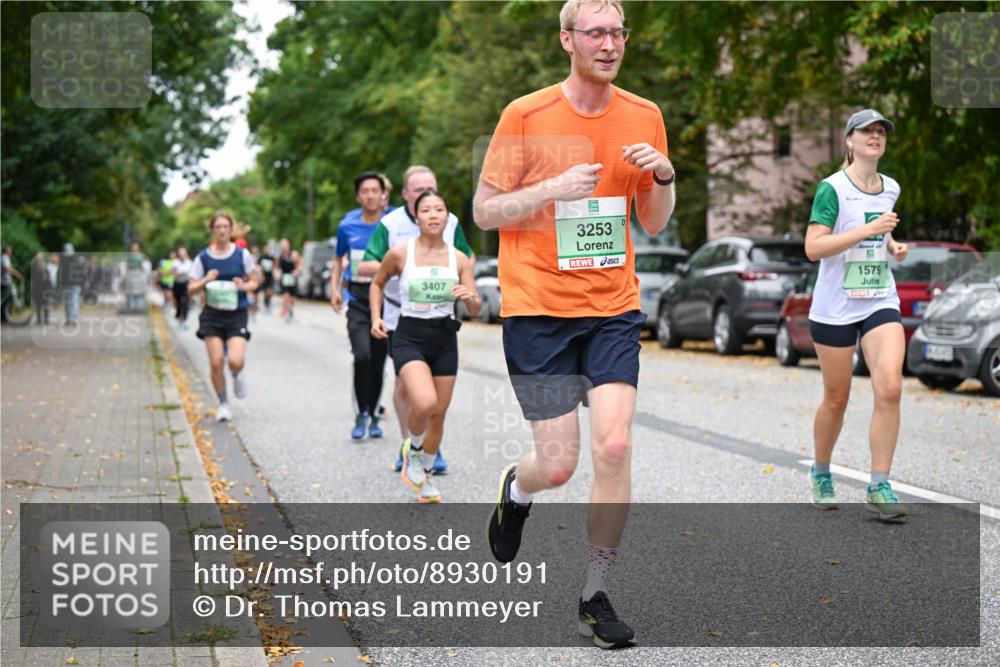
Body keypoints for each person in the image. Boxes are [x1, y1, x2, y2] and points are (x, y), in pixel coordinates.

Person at [472, 0, 675, 649]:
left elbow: (655, 221)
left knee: (613, 447)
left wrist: (665, 175)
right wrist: (552, 188)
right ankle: (517, 488)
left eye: (618, 31)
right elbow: (483, 210)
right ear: (567, 40)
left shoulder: (645, 116)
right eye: (596, 32)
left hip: (612, 306)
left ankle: (595, 591)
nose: (610, 42)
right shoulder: (526, 115)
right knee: (558, 463)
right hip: (537, 308)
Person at [804, 109, 908, 521]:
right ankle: (821, 471)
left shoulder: (891, 187)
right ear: (849, 140)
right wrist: (868, 232)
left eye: (881, 131)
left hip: (879, 298)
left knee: (890, 388)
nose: (876, 136)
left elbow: (879, 228)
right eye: (867, 130)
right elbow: (814, 247)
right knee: (837, 397)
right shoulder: (832, 189)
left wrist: (892, 245)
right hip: (835, 307)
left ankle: (880, 484)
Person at [359, 165, 475, 473]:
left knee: (437, 408)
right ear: (407, 196)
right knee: (409, 391)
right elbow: (368, 269)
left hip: (443, 324)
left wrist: (464, 285)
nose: (433, 212)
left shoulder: (452, 228)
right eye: (422, 196)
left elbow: (468, 260)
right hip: (401, 315)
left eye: (437, 203)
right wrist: (407, 267)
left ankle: (426, 456)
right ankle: (408, 444)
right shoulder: (392, 228)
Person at [332, 172, 391, 440]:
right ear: (358, 196)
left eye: (374, 190)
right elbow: (337, 259)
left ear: (383, 194)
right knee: (362, 356)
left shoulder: (392, 225)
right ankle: (361, 413)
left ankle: (374, 414)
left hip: (387, 302)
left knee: (378, 361)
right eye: (364, 191)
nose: (369, 195)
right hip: (357, 300)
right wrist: (335, 288)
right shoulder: (347, 226)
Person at [187, 212, 258, 422]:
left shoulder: (241, 255)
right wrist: (205, 280)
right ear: (212, 230)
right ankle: (223, 403)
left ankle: (237, 374)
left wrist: (244, 286)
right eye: (217, 227)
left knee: (235, 360)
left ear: (231, 229)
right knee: (216, 362)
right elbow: (190, 288)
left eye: (225, 226)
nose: (221, 230)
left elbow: (255, 281)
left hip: (236, 314)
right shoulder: (203, 258)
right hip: (212, 315)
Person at [61, 243, 88, 323]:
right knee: (74, 300)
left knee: (69, 301)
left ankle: (70, 318)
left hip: (70, 284)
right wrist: (83, 284)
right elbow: (82, 274)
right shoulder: (77, 260)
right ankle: (73, 318)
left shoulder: (63, 261)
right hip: (75, 284)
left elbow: (61, 274)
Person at [276, 239, 300, 322]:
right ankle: (284, 309)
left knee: (292, 297)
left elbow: (299, 265)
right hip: (284, 278)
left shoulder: (293, 254)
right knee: (285, 294)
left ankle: (290, 310)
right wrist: (277, 274)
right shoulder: (279, 257)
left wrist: (297, 271)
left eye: (285, 245)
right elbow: (276, 267)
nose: (283, 247)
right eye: (282, 245)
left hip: (292, 277)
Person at [1, 245, 24, 323]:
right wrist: (17, 274)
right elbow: (7, 268)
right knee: (7, 300)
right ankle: (4, 318)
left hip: (5, 281)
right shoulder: (5, 257)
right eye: (10, 250)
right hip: (5, 282)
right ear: (7, 250)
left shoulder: (4, 257)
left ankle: (4, 317)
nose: (11, 251)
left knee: (5, 299)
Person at [172, 246, 193, 328]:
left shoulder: (189, 262)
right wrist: (179, 273)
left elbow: (191, 274)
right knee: (178, 302)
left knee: (185, 302)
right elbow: (173, 273)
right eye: (180, 253)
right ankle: (179, 315)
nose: (182, 255)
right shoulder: (175, 262)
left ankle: (185, 319)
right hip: (177, 284)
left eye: (183, 253)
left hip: (185, 284)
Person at [30, 252, 51, 325]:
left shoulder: (37, 266)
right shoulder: (41, 266)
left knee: (40, 305)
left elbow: (47, 278)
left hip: (40, 288)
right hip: (42, 288)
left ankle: (41, 320)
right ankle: (44, 319)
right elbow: (48, 279)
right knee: (43, 304)